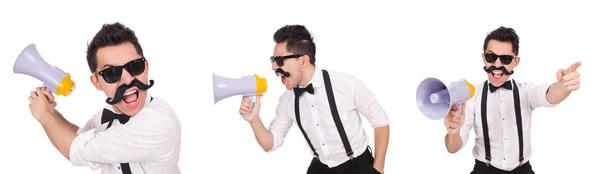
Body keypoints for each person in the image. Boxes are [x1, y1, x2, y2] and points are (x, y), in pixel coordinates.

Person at [27, 22, 181, 174]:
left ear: (146, 67)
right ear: (97, 82)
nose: (127, 79)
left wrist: (44, 115)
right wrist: (52, 112)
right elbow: (79, 138)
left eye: (134, 66)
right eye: (112, 73)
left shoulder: (157, 123)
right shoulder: (106, 115)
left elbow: (77, 150)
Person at [238, 24, 390, 174]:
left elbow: (380, 120)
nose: (273, 67)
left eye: (279, 60)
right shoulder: (287, 100)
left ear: (303, 61)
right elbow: (270, 144)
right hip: (321, 166)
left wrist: (378, 169)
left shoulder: (346, 85)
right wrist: (254, 119)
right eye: (273, 60)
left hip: (357, 164)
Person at [443, 26, 581, 174]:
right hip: (484, 170)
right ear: (483, 58)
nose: (497, 65)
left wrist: (565, 85)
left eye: (506, 59)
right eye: (491, 57)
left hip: (522, 170)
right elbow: (453, 147)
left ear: (516, 61)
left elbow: (549, 95)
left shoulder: (526, 91)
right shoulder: (471, 98)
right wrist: (453, 132)